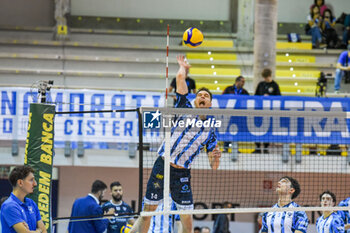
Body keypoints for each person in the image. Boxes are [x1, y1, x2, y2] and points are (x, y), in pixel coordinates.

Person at [130, 55, 222, 233]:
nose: (202, 96)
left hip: (182, 172)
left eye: (206, 96)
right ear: (196, 101)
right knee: (148, 211)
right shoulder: (184, 108)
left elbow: (214, 166)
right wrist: (183, 68)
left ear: (210, 104)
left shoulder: (211, 130)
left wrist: (216, 158)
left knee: (186, 216)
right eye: (200, 95)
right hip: (162, 165)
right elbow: (180, 80)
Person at [0, 165, 47, 233]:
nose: (35, 184)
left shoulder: (32, 203)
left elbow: (44, 231)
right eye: (31, 180)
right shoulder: (9, 206)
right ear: (20, 183)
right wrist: (39, 230)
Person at [254, 68, 281, 154]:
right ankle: (257, 147)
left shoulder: (275, 85)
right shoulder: (261, 84)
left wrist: (270, 97)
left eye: (267, 77)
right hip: (260, 111)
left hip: (269, 112)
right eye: (264, 78)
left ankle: (266, 147)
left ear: (270, 76)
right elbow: (255, 96)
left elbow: (279, 98)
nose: (265, 79)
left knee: (268, 129)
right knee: (257, 128)